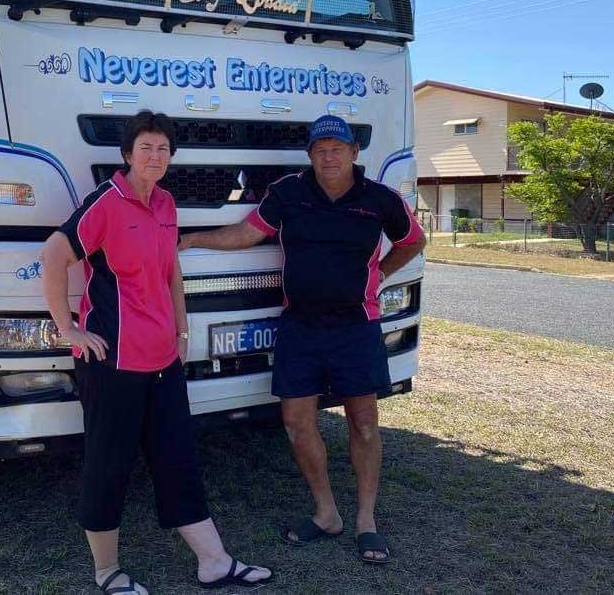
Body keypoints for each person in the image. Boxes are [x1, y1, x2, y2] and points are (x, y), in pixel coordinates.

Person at [40, 110, 272, 594]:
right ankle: (107, 573)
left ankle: (215, 562)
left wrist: (183, 333)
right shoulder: (107, 202)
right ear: (127, 155)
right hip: (114, 364)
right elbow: (53, 254)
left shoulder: (165, 203)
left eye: (163, 149)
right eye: (146, 147)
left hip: (163, 362)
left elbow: (170, 272)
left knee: (178, 459)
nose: (155, 156)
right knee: (110, 465)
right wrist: (69, 330)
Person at [179, 115, 426, 565]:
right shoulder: (289, 192)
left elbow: (413, 240)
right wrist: (192, 237)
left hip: (356, 324)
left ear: (354, 153)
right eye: (320, 149)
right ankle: (326, 512)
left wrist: (381, 275)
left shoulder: (381, 199)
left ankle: (366, 521)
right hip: (300, 326)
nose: (329, 156)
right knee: (295, 422)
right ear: (310, 156)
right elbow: (246, 234)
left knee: (364, 422)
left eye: (337, 148)